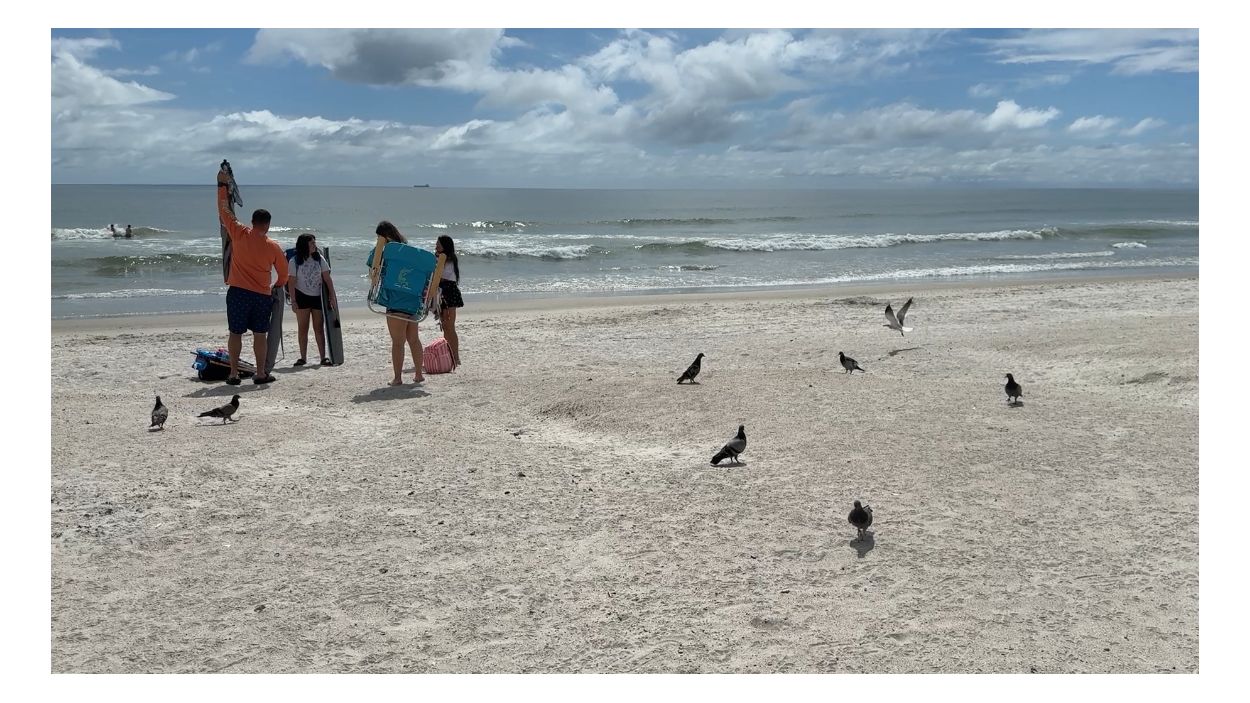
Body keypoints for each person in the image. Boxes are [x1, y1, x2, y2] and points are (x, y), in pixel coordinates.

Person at [217, 165, 288, 385]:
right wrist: (277, 285)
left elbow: (224, 211)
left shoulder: (239, 232)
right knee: (260, 334)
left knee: (235, 333)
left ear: (252, 221)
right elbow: (284, 274)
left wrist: (222, 186)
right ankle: (260, 373)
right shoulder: (273, 246)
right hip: (261, 296)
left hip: (238, 293)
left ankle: (233, 374)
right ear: (268, 225)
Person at [376, 220, 424, 386]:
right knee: (414, 340)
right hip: (413, 300)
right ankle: (419, 374)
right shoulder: (408, 250)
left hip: (397, 301)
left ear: (384, 237)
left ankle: (397, 378)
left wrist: (379, 247)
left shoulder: (388, 253)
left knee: (398, 342)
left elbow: (373, 263)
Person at [286, 233, 338, 367]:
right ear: (304, 245)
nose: (315, 245)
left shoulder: (319, 259)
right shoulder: (294, 261)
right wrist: (293, 301)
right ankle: (303, 358)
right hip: (301, 297)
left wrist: (332, 296)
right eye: (312, 243)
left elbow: (327, 279)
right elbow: (291, 282)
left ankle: (323, 357)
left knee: (319, 328)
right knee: (303, 328)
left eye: (315, 242)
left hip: (317, 297)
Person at [435, 235, 464, 367]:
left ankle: (456, 357)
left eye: (439, 244)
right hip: (441, 291)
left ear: (445, 246)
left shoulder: (448, 258)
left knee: (450, 326)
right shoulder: (439, 257)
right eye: (436, 244)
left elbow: (441, 276)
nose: (436, 246)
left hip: (449, 291)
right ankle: (450, 355)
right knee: (445, 326)